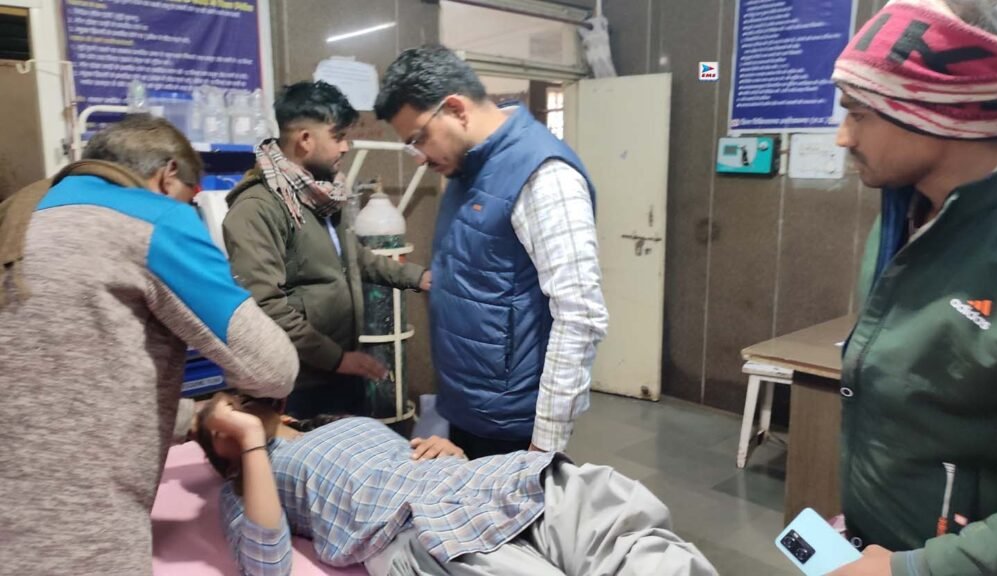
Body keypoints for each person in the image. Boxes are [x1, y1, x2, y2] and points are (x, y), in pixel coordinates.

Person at [0, 115, 298, 575]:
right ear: (167, 174)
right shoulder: (155, 218)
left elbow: (59, 377)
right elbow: (273, 368)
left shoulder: (16, 216)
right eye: (191, 198)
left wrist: (194, 416)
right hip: (78, 542)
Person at [827, 1, 997, 574]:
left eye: (858, 113)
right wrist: (863, 516)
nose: (842, 137)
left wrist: (918, 568)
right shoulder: (904, 210)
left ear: (940, 111)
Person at [374, 46, 609, 459]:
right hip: (467, 409)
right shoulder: (467, 168)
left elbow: (580, 315)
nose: (419, 158)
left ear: (455, 109)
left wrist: (543, 447)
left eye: (418, 139)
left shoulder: (543, 175)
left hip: (513, 426)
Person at [195, 392, 718, 576]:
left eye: (235, 403)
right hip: (413, 528)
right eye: (221, 422)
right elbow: (266, 565)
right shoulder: (247, 484)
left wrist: (449, 450)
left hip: (482, 482)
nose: (235, 411)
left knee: (612, 522)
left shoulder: (334, 421)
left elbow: (406, 455)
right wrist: (250, 446)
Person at [223, 81, 430, 420]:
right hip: (297, 382)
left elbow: (352, 258)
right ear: (305, 139)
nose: (346, 147)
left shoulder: (323, 195)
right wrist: (336, 359)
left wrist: (417, 277)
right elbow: (264, 304)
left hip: (340, 369)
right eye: (338, 137)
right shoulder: (257, 207)